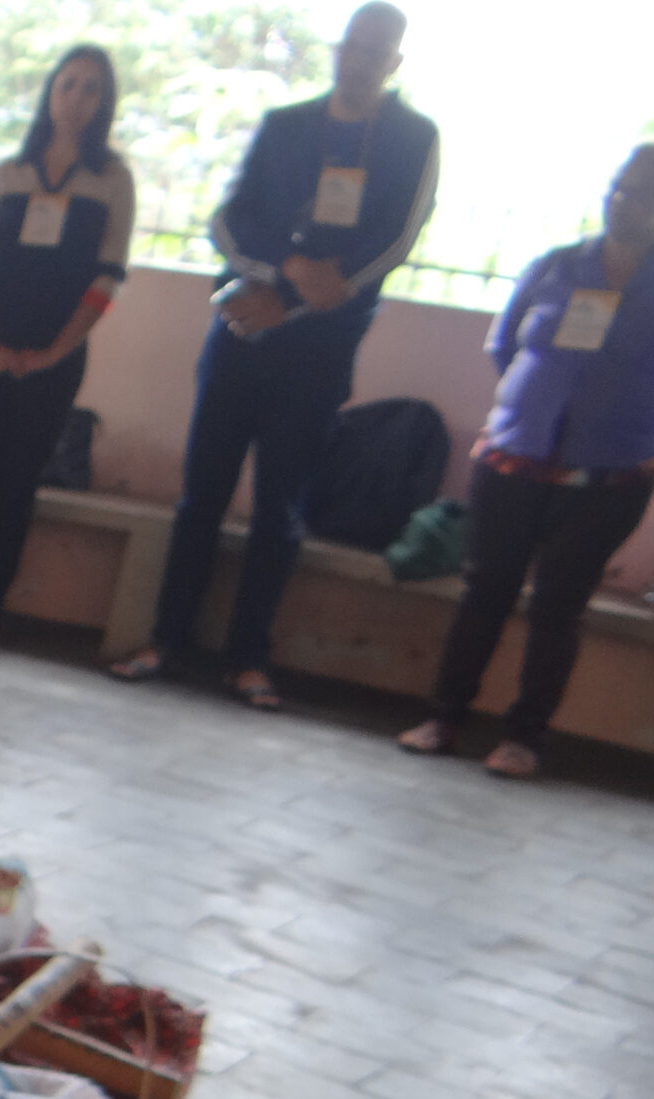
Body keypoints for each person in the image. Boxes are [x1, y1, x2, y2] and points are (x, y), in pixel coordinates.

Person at [110, 1, 438, 709]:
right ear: (338, 48)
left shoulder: (413, 139)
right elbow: (228, 220)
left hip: (319, 351)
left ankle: (249, 659)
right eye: (353, 44)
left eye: (376, 50)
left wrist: (292, 303)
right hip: (241, 333)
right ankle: (166, 640)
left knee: (280, 507)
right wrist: (283, 271)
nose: (360, 59)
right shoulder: (286, 124)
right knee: (201, 495)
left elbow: (393, 243)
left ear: (394, 62)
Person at [398, 147, 654, 780]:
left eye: (641, 194)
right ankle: (444, 718)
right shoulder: (557, 266)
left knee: (558, 606)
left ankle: (525, 738)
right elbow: (507, 344)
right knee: (485, 591)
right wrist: (530, 409)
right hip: (515, 459)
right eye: (619, 188)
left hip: (610, 476)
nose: (622, 202)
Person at [0, 47, 133, 644]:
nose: (76, 98)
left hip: (56, 354)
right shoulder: (10, 170)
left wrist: (55, 352)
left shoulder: (112, 180)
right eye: (67, 84)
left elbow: (108, 277)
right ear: (49, 93)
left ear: (104, 102)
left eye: (90, 88)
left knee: (18, 482)